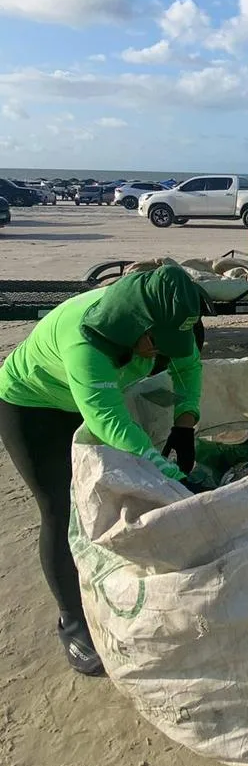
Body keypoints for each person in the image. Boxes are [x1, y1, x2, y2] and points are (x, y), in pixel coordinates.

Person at [0, 265, 209, 676]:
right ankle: (73, 625)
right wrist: (172, 476)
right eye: (156, 342)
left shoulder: (163, 322)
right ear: (134, 322)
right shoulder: (85, 341)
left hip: (90, 403)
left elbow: (189, 366)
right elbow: (111, 425)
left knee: (114, 499)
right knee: (61, 509)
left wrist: (186, 423)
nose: (160, 352)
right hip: (33, 407)